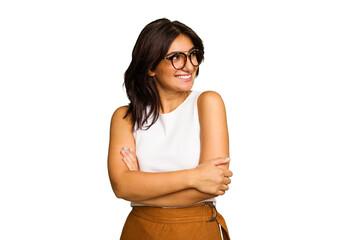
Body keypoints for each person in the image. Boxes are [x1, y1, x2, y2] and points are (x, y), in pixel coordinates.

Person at [108, 18, 233, 240]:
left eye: (193, 54)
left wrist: (141, 185)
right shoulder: (125, 117)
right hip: (139, 230)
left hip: (196, 228)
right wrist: (194, 176)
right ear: (150, 66)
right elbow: (121, 187)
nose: (189, 65)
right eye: (176, 57)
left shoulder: (207, 102)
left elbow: (212, 185)